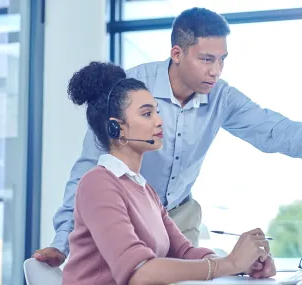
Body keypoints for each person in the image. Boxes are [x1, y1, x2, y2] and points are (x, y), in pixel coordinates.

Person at [33, 7, 302, 267]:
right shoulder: (130, 91)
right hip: (124, 213)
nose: (216, 70)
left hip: (176, 217)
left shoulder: (221, 97)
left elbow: (273, 128)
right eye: (207, 59)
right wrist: (62, 242)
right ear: (177, 54)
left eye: (222, 60)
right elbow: (89, 171)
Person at [60, 61, 276, 285]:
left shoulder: (144, 189)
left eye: (157, 111)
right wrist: (229, 264)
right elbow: (139, 273)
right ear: (117, 128)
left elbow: (184, 252)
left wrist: (242, 265)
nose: (159, 121)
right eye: (147, 114)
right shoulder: (98, 184)